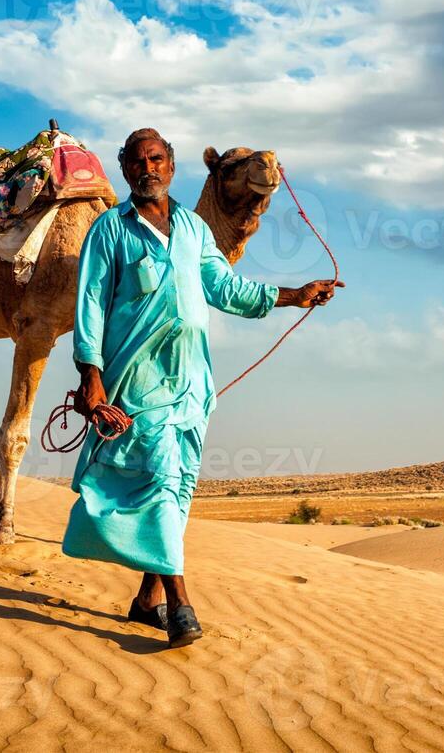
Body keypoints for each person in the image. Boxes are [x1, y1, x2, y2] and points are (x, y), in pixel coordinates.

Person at [62, 127, 341, 648]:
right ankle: (181, 605)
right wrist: (90, 379)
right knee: (163, 477)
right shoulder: (109, 231)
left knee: (177, 486)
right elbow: (91, 306)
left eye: (157, 158)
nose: (148, 168)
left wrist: (293, 294)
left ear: (172, 166)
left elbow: (225, 288)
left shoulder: (193, 230)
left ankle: (146, 600)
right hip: (137, 380)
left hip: (192, 382)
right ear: (125, 170)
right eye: (138, 161)